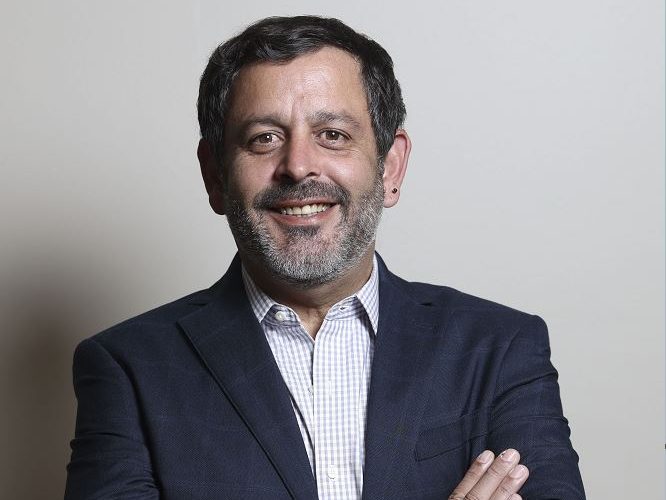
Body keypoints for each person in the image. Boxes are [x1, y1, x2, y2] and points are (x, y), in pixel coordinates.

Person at [64, 15, 585, 500]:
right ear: (215, 175)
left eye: (332, 135)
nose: (298, 166)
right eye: (264, 138)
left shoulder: (501, 347)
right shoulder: (127, 369)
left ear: (390, 167)